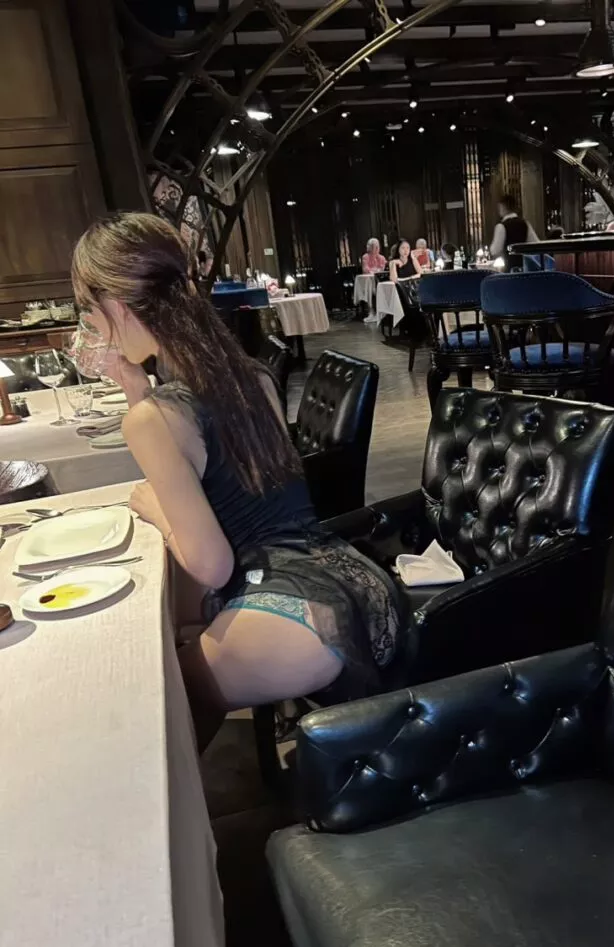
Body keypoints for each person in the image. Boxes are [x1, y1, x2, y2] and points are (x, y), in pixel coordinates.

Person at [70, 212, 401, 750]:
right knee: (178, 651)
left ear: (116, 304)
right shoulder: (253, 374)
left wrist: (155, 511)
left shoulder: (155, 419)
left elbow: (211, 565)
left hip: (293, 617)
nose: (91, 322)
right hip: (354, 582)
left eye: (89, 308)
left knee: (155, 696)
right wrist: (133, 383)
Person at [489, 195, 539, 270]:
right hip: (524, 268)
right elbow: (535, 244)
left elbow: (495, 250)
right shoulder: (525, 224)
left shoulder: (501, 226)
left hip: (508, 268)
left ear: (502, 207)